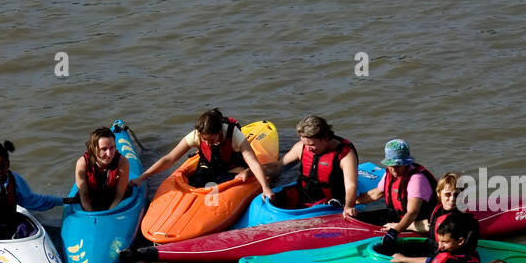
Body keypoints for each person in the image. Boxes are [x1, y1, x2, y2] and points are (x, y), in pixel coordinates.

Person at [132, 109, 275, 202]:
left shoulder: (234, 134)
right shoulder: (196, 135)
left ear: (220, 132)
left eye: (212, 140)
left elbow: (253, 162)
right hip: (208, 167)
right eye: (204, 139)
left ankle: (243, 175)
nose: (207, 143)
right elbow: (169, 159)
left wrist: (265, 188)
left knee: (222, 182)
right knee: (196, 182)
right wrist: (142, 177)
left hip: (232, 168)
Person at [272, 115, 359, 218]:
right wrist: (253, 171)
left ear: (325, 138)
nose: (308, 149)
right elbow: (278, 166)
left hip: (330, 202)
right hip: (305, 195)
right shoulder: (302, 146)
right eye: (305, 144)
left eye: (312, 145)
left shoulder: (345, 155)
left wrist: (348, 206)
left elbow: (351, 186)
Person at [377, 171, 477, 258]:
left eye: (457, 194)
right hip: (430, 247)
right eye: (448, 194)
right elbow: (427, 225)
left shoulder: (458, 220)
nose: (452, 198)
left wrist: (404, 259)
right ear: (439, 193)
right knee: (384, 247)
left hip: (439, 257)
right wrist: (397, 226)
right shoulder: (437, 209)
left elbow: (445, 256)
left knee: (394, 255)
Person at [354, 139, 439, 232]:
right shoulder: (389, 173)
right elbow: (376, 193)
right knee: (357, 218)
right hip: (400, 216)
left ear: (406, 163)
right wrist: (351, 202)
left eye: (397, 165)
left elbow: (412, 213)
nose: (393, 170)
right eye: (390, 165)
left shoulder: (416, 179)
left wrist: (394, 231)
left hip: (421, 223)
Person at [72, 127, 131, 211]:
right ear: (93, 149)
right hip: (92, 202)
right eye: (104, 149)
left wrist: (108, 213)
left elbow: (119, 196)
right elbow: (84, 199)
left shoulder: (122, 162)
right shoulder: (82, 163)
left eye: (112, 148)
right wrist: (93, 216)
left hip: (113, 201)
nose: (109, 154)